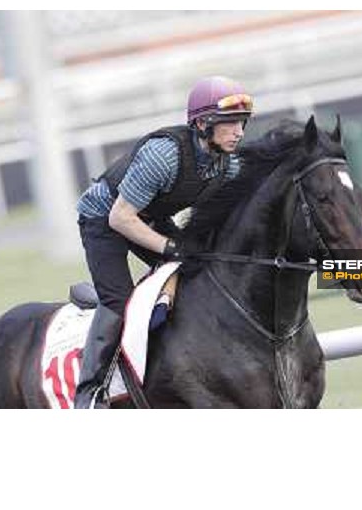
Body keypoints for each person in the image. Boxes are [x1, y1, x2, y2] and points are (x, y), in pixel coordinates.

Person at [74, 76, 253, 409]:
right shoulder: (164, 155)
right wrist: (170, 249)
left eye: (241, 123)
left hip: (147, 215)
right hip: (105, 218)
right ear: (202, 123)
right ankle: (89, 392)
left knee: (198, 268)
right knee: (117, 302)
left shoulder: (226, 163)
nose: (239, 132)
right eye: (229, 124)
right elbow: (120, 219)